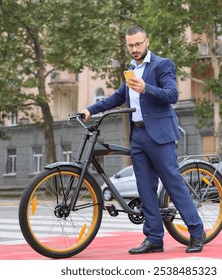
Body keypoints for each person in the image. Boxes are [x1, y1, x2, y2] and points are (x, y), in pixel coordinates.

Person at [81, 25, 205, 254]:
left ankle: (196, 233)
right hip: (138, 136)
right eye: (130, 45)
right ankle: (154, 238)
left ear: (147, 41)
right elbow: (118, 97)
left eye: (138, 44)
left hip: (160, 135)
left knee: (172, 184)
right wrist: (90, 110)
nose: (135, 48)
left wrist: (147, 88)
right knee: (145, 189)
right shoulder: (131, 70)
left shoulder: (162, 65)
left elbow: (172, 95)